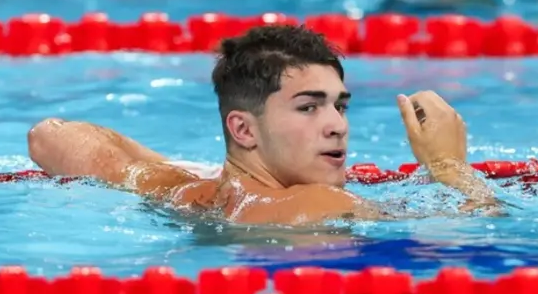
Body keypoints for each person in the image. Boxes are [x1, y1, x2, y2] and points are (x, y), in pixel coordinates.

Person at [27, 24, 501, 225]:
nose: (337, 125)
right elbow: (477, 224)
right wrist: (447, 164)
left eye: (340, 106)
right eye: (309, 107)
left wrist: (203, 171)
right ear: (244, 130)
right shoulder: (320, 203)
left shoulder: (178, 191)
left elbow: (49, 136)